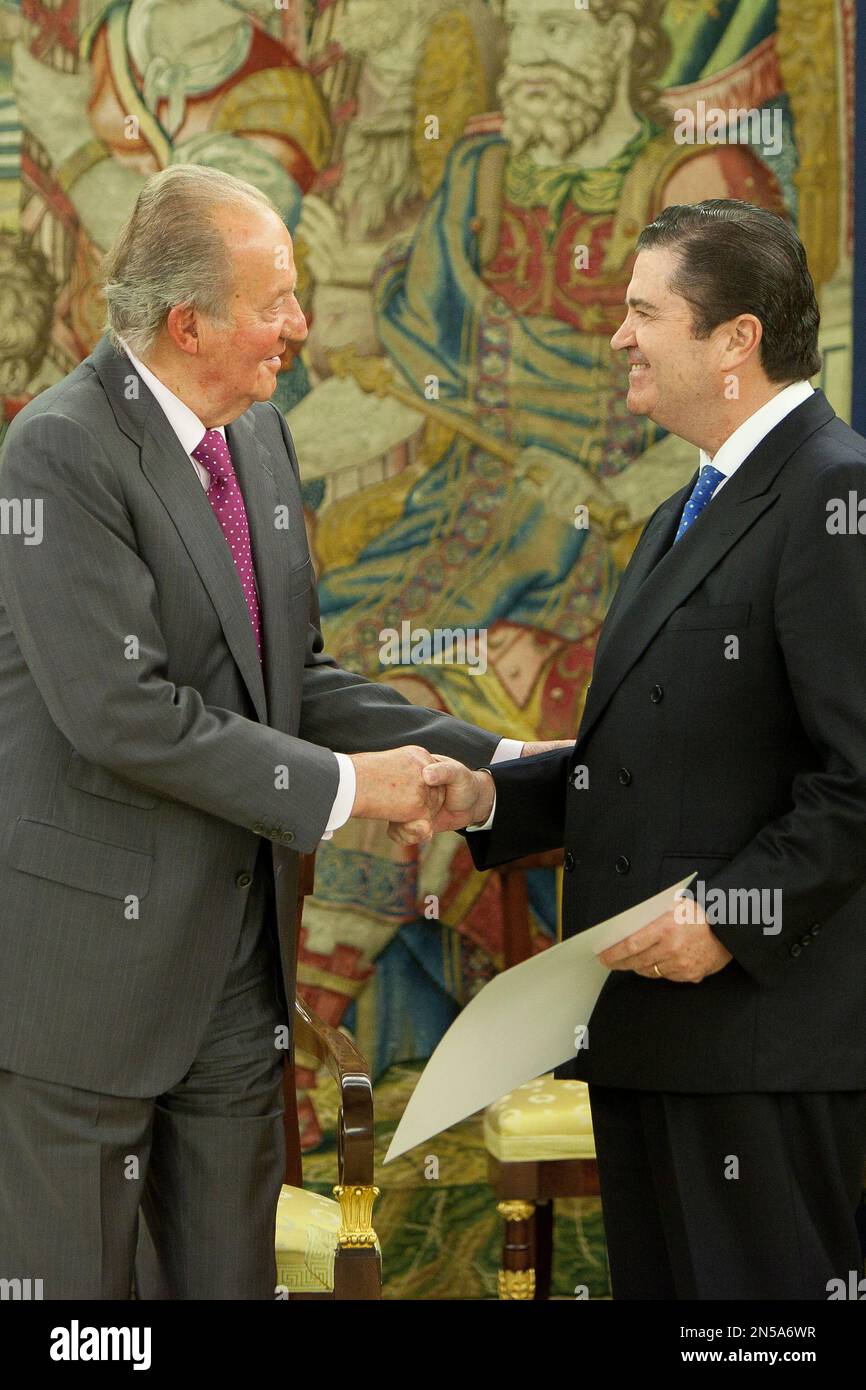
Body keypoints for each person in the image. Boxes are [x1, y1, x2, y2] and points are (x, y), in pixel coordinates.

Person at [0, 163, 566, 1299]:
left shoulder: (253, 437)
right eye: (276, 302)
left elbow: (285, 680)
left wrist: (484, 765)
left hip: (237, 974)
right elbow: (126, 714)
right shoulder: (58, 454)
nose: (299, 329)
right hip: (87, 985)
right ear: (188, 321)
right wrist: (358, 789)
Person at [394, 200, 866, 1300]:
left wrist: (725, 916)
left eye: (640, 311)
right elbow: (649, 758)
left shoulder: (833, 492)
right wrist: (484, 796)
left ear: (733, 340)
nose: (615, 337)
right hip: (652, 1037)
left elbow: (857, 778)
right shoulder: (683, 512)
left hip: (757, 1043)